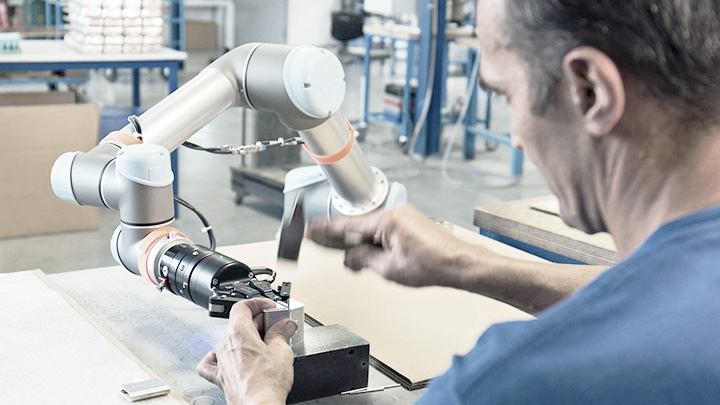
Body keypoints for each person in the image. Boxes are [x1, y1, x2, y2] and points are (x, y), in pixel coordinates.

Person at [197, 0, 720, 402]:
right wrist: (472, 265)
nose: (515, 136)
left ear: (591, 92)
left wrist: (256, 391)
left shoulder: (517, 380)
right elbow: (655, 292)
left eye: (506, 93)